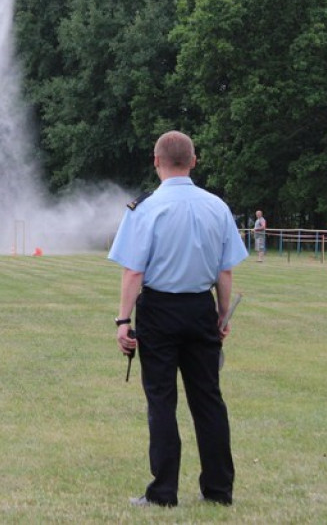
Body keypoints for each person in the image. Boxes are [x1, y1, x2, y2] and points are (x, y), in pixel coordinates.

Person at [108, 130, 248, 508]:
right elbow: (225, 272)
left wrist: (123, 321)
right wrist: (221, 316)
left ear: (156, 161)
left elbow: (133, 273)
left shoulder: (144, 208)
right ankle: (219, 491)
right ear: (194, 161)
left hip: (158, 311)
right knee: (208, 401)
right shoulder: (217, 207)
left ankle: (163, 492)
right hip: (200, 309)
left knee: (161, 401)